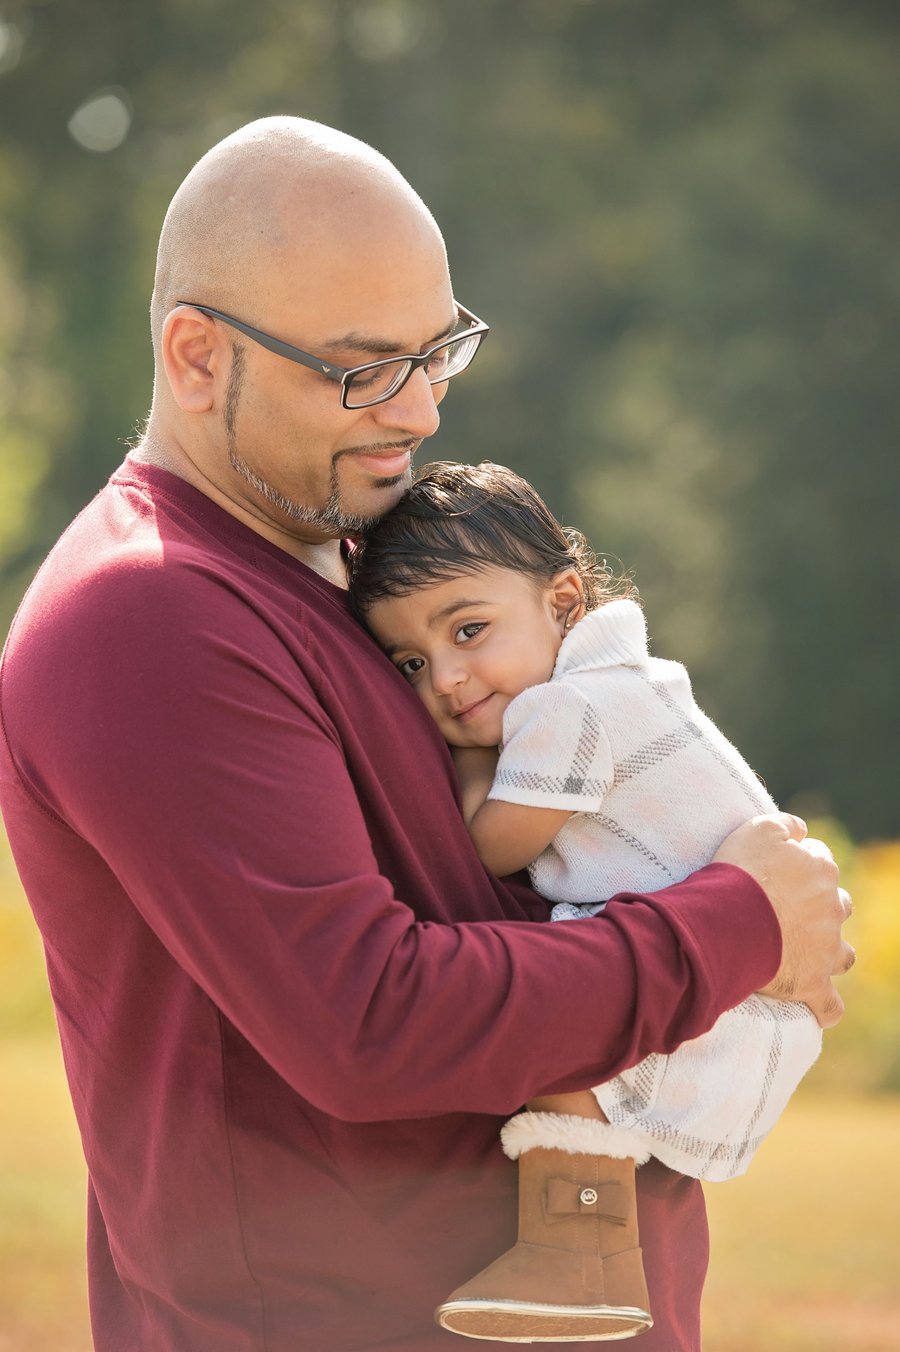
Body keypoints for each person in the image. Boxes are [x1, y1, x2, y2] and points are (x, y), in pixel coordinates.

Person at [0, 117, 852, 1352]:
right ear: (196, 355)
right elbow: (373, 1020)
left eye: (437, 351)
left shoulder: (356, 570)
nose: (419, 412)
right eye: (361, 370)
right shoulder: (153, 613)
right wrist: (737, 922)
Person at [349, 460, 827, 1342]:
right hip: (729, 966)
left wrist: (457, 765)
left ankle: (577, 1257)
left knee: (552, 1046)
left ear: (563, 600)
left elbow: (488, 851)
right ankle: (583, 1263)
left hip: (725, 992)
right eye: (411, 662)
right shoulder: (623, 680)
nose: (446, 680)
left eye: (469, 629)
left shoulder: (574, 709)